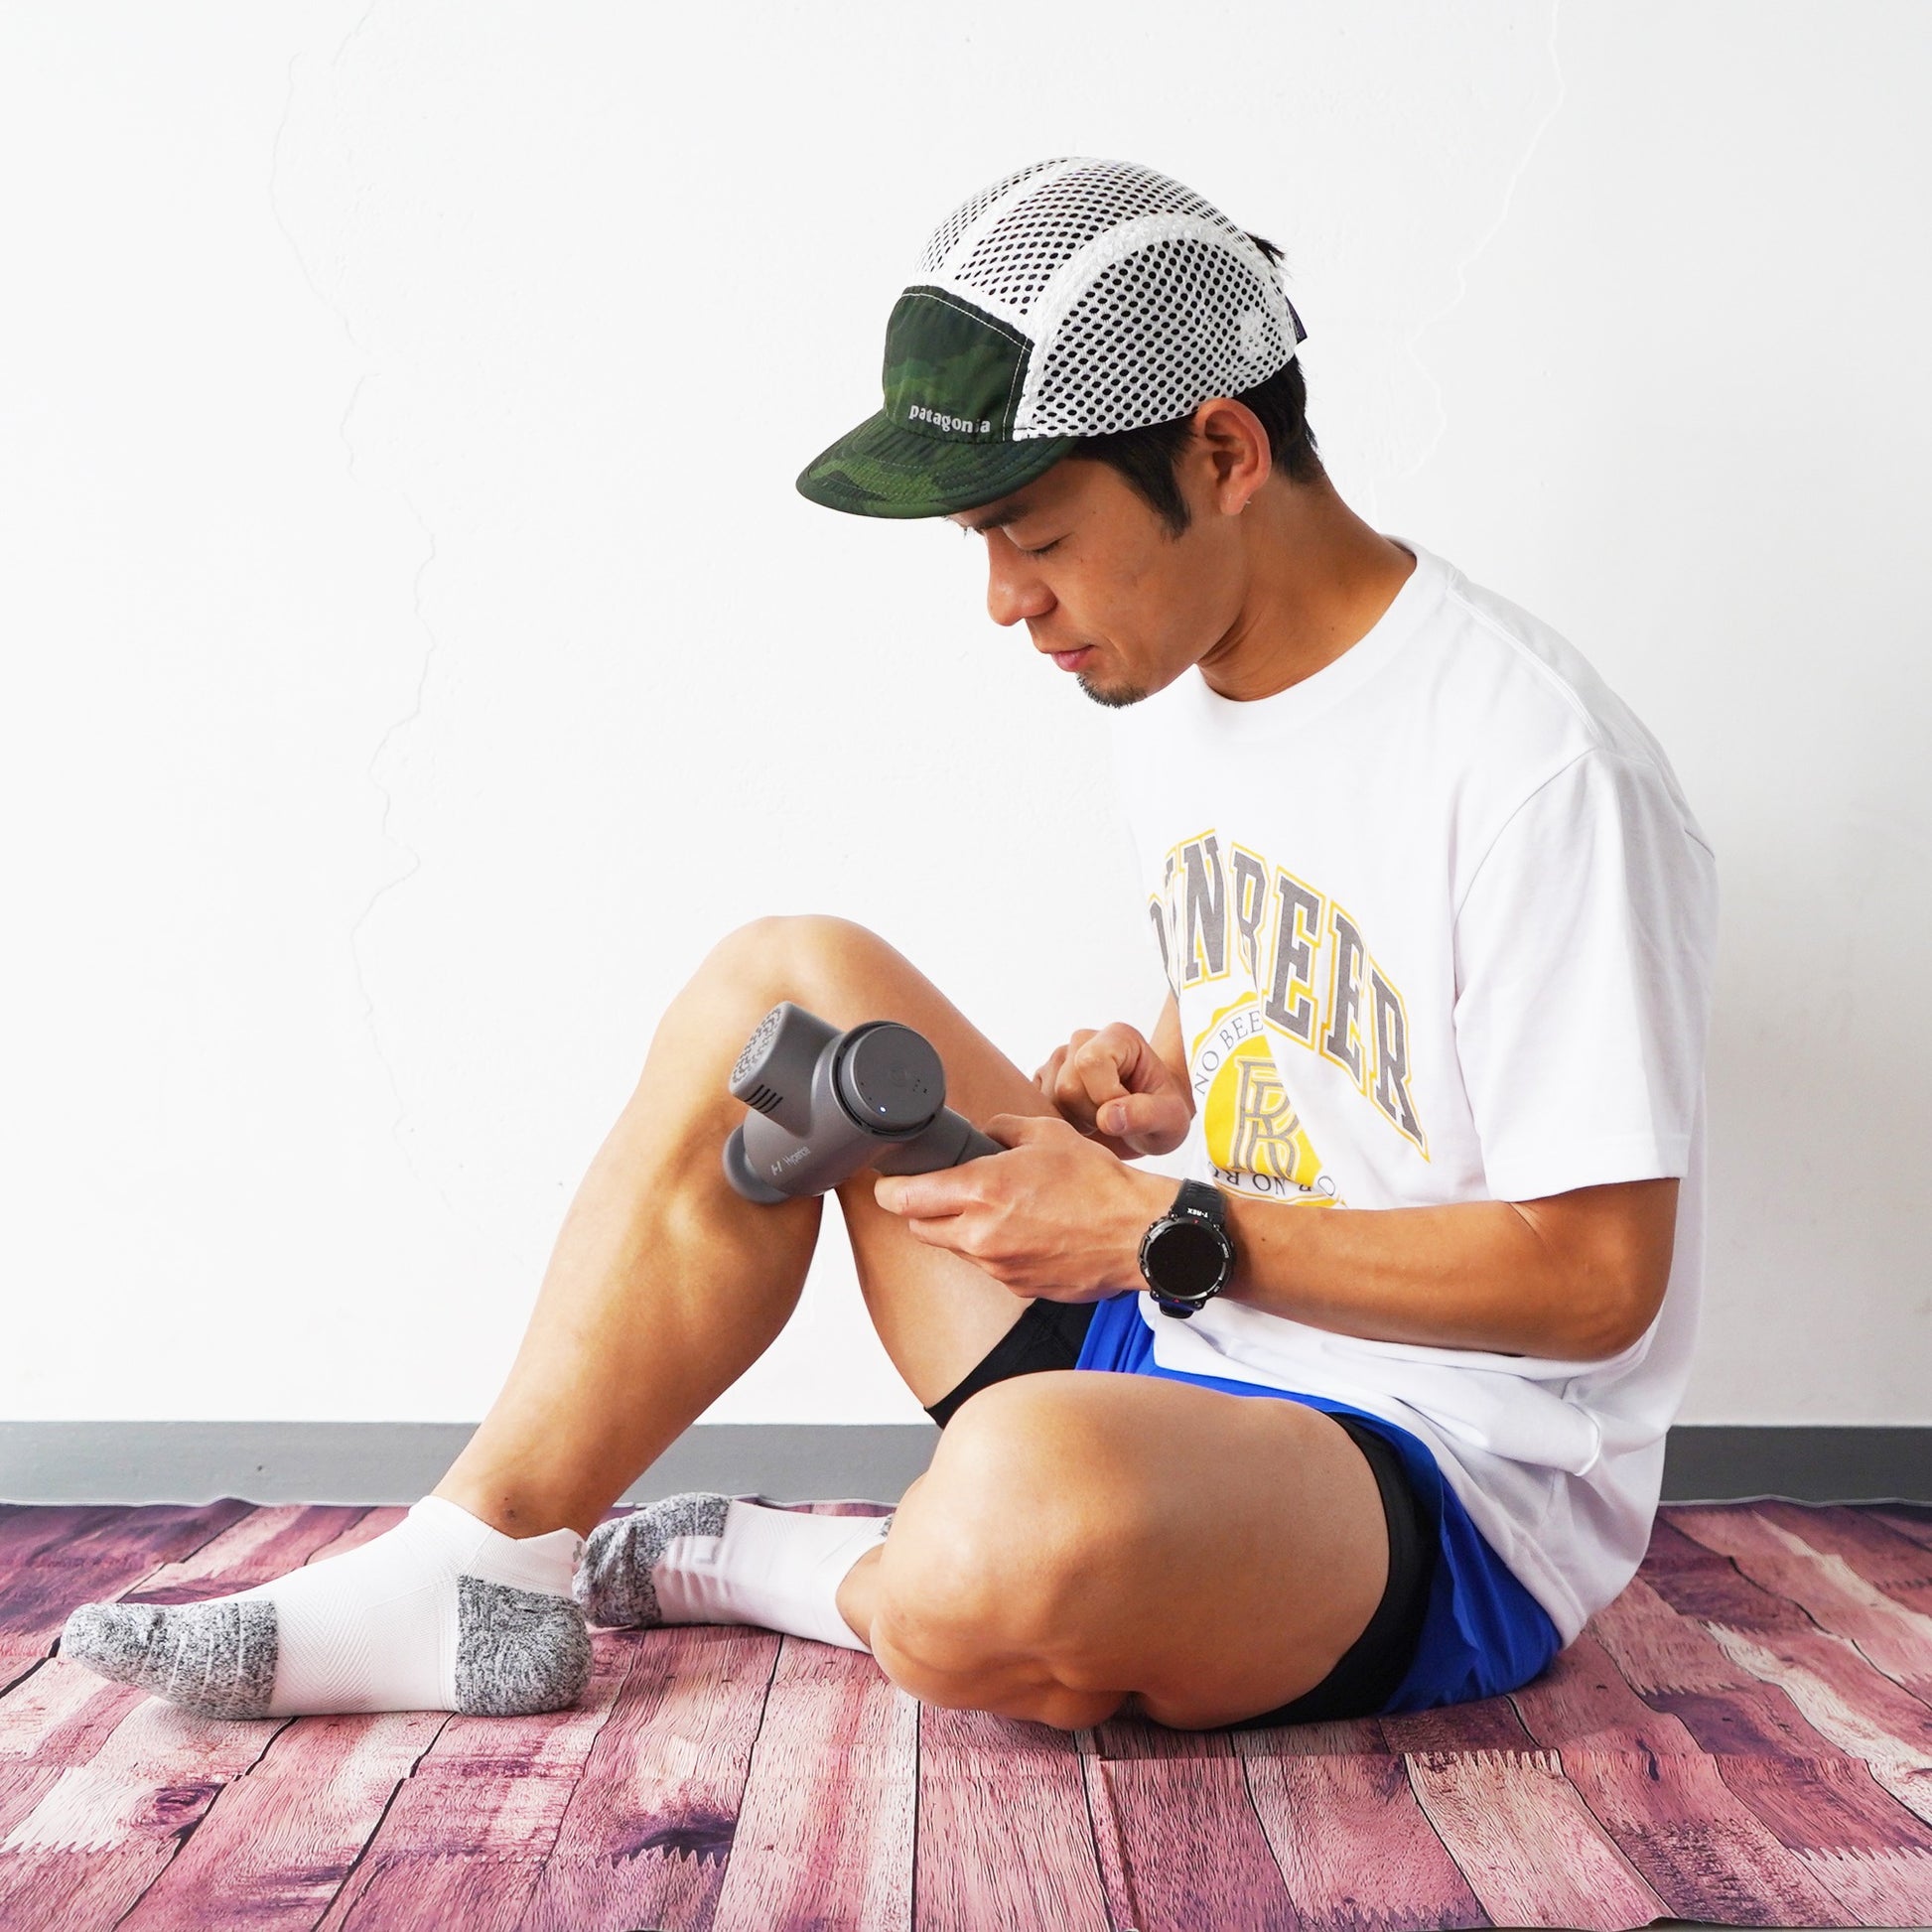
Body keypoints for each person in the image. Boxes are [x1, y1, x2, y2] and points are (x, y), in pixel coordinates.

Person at [60, 156, 1718, 1734]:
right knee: (779, 983)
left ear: (1222, 453)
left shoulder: (1539, 769)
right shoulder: (1178, 671)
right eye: (979, 544)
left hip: (1434, 1473)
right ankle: (477, 1558)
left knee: (1006, 1522)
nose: (1003, 600)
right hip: (1180, 1334)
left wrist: (1161, 1226)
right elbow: (1308, 957)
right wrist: (1160, 1070)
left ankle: (785, 1564)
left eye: (1035, 535)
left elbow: (1595, 1283)